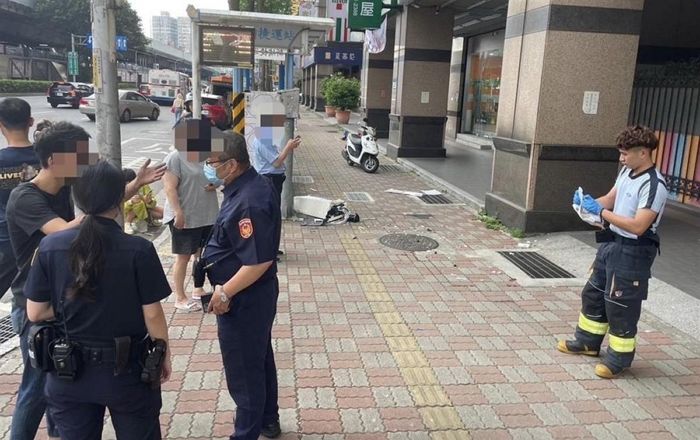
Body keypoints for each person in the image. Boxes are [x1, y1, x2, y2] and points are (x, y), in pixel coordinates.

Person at [6, 121, 166, 440]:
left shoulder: (67, 189)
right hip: (40, 305)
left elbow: (95, 214)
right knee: (35, 391)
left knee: (61, 393)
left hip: (71, 300)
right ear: (52, 160)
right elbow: (74, 229)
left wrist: (123, 191)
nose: (87, 162)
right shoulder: (25, 198)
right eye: (81, 156)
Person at [558, 125, 668, 378]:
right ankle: (587, 342)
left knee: (621, 303)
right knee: (595, 293)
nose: (621, 158)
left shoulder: (654, 185)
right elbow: (610, 198)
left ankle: (619, 358)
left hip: (634, 251)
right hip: (611, 243)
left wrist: (602, 213)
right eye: (620, 153)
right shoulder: (626, 172)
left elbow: (640, 226)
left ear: (644, 153)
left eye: (625, 154)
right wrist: (590, 204)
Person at [202, 131, 282, 439]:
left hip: (245, 297)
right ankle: (268, 419)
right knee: (258, 356)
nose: (208, 168)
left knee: (244, 371)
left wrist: (224, 292)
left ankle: (246, 433)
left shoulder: (248, 200)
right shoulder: (243, 186)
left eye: (212, 163)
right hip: (251, 295)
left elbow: (258, 261)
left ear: (232, 164)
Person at [162, 119, 220, 311]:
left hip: (206, 214)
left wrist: (216, 184)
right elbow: (170, 188)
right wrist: (178, 213)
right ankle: (179, 297)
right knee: (183, 257)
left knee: (202, 255)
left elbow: (218, 176)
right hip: (186, 216)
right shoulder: (175, 158)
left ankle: (198, 289)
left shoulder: (206, 156)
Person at [0, 98, 40, 301]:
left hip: (6, 242)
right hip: (44, 242)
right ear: (30, 121)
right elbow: (99, 172)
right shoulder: (51, 158)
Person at [123, 168, 163, 233]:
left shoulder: (143, 186)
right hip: (127, 212)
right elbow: (120, 206)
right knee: (138, 203)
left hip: (144, 208)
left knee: (161, 213)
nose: (129, 184)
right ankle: (127, 223)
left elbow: (153, 201)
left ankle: (150, 221)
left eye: (131, 182)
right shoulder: (121, 189)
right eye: (127, 183)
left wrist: (149, 201)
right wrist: (131, 202)